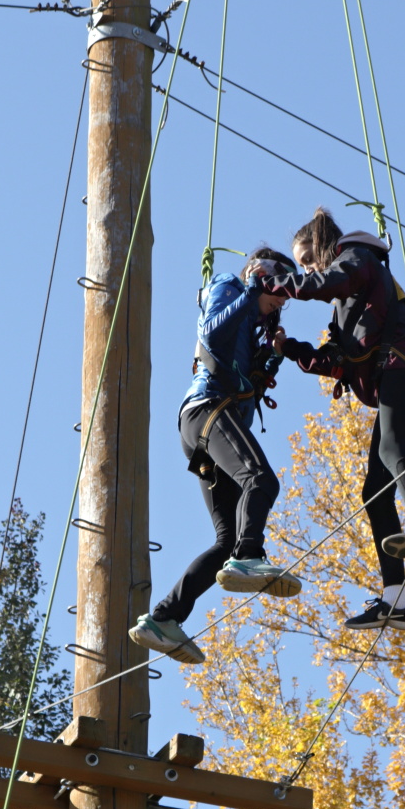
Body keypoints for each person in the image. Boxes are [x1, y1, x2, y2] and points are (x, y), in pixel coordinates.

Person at [255, 208, 405, 634]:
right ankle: (396, 599)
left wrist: (276, 282)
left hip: (401, 367)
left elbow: (326, 282)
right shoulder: (349, 304)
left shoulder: (357, 257)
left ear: (324, 243)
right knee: (374, 493)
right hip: (388, 376)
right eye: (303, 264)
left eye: (309, 259)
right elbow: (339, 361)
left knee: (393, 449)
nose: (309, 269)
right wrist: (290, 349)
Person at [129, 248, 302, 665]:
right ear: (261, 275)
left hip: (206, 427)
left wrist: (272, 357)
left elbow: (244, 378)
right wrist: (251, 293)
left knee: (226, 540)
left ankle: (163, 619)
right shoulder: (230, 286)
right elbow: (211, 333)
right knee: (261, 480)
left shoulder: (252, 325)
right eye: (280, 291)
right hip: (208, 410)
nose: (282, 302)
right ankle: (250, 556)